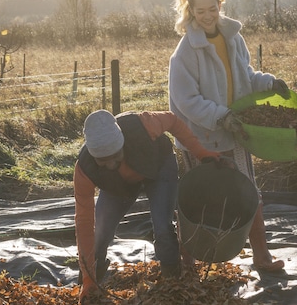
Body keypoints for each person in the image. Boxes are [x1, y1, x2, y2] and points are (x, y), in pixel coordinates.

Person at [168, 0, 291, 274]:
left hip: (235, 131)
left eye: (212, 8)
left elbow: (245, 77)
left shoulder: (233, 38)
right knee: (201, 198)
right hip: (201, 136)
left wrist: (269, 83)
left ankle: (261, 257)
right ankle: (187, 261)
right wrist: (221, 117)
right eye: (201, 11)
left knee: (249, 193)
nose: (208, 16)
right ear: (190, 11)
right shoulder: (185, 53)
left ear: (220, 3)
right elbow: (187, 101)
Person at [74, 109, 220, 295]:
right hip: (117, 185)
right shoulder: (85, 169)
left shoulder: (142, 124)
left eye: (115, 156)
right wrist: (88, 278)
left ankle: (173, 283)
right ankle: (91, 285)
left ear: (122, 143)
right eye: (103, 161)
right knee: (100, 233)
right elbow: (84, 223)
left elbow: (174, 122)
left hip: (158, 168)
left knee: (162, 226)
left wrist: (201, 153)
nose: (110, 164)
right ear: (94, 156)